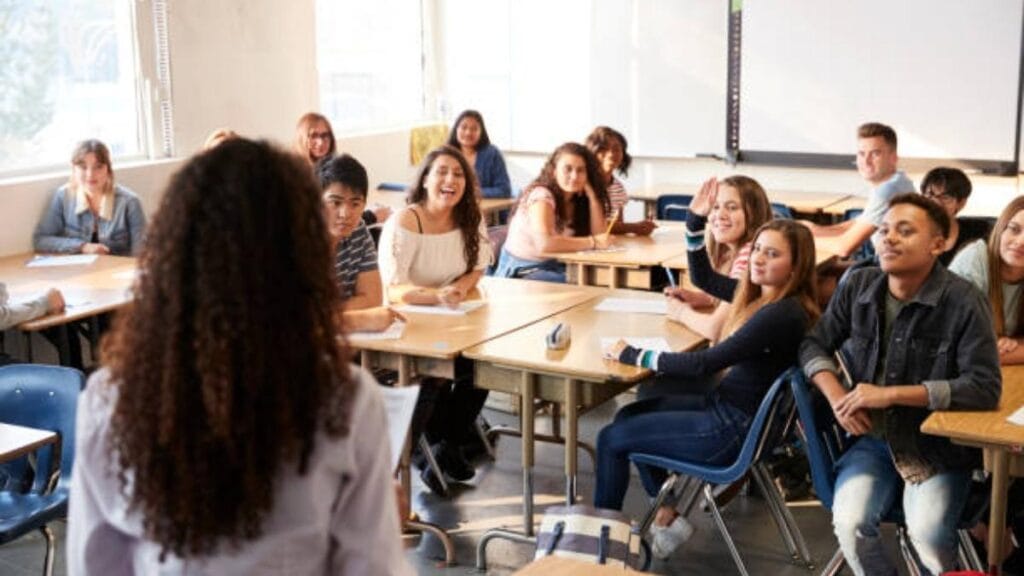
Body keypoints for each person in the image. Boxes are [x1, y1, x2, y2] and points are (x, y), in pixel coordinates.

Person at [67, 139, 411, 575]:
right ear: (302, 258)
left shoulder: (111, 399)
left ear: (173, 258)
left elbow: (94, 566)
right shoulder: (347, 400)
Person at [799, 193, 1001, 576]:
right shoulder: (859, 284)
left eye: (905, 231)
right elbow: (813, 344)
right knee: (851, 525)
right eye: (884, 230)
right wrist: (837, 395)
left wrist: (891, 394)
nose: (888, 238)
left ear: (937, 245)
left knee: (928, 536)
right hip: (872, 441)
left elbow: (984, 387)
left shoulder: (963, 300)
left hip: (937, 448)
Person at [595, 219, 820, 559]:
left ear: (796, 266)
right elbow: (705, 279)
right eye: (758, 249)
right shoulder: (771, 300)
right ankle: (666, 516)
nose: (759, 259)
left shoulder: (780, 315)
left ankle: (599, 550)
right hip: (730, 415)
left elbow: (705, 363)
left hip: (728, 431)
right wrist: (694, 225)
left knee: (611, 438)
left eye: (773, 254)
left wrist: (634, 354)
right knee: (627, 416)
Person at [377, 145, 493, 493]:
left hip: (452, 315)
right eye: (441, 172)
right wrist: (435, 297)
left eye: (458, 174)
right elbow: (394, 288)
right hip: (408, 321)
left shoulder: (470, 216)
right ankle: (438, 449)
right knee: (437, 374)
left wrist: (459, 288)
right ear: (425, 179)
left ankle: (444, 448)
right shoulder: (406, 221)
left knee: (482, 364)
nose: (450, 180)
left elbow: (478, 266)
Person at [665, 175, 774, 340]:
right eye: (715, 207)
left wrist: (680, 312)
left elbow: (715, 330)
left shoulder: (751, 255)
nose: (720, 215)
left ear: (753, 213)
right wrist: (704, 298)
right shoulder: (734, 252)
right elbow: (738, 294)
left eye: (732, 207)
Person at [494, 142, 611, 282]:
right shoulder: (541, 196)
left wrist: (593, 198)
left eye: (580, 170)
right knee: (587, 282)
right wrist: (592, 242)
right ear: (554, 172)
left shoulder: (578, 201)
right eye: (568, 169)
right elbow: (545, 244)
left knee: (599, 277)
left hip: (553, 266)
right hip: (522, 270)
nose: (574, 176)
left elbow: (601, 237)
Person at [804, 122, 915, 258]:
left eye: (875, 154)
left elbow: (844, 248)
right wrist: (814, 230)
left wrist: (799, 239)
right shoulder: (898, 180)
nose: (866, 161)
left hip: (889, 268)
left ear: (893, 158)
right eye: (862, 154)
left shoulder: (888, 190)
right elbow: (857, 223)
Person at [317, 154, 401, 333]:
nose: (345, 214)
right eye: (335, 202)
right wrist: (359, 319)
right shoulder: (296, 240)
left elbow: (373, 299)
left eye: (355, 204)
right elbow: (295, 320)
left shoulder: (358, 229)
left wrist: (327, 315)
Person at [33, 139, 147, 256]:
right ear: (74, 169)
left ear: (108, 169)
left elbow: (141, 254)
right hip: (79, 267)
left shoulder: (130, 203)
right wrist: (82, 247)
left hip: (119, 267)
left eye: (98, 167)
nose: (90, 174)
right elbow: (41, 240)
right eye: (83, 167)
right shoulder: (62, 197)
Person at [950, 196, 1024, 365]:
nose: (1021, 242)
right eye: (1014, 229)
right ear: (1000, 228)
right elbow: (961, 350)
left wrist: (1013, 346)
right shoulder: (974, 259)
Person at [295, 112, 391, 228]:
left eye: (325, 136)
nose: (320, 142)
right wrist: (372, 216)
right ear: (302, 138)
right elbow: (323, 223)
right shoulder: (296, 176)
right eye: (313, 136)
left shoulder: (334, 168)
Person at [584, 126, 656, 236]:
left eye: (616, 149)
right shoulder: (583, 185)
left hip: (609, 244)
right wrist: (633, 227)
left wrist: (637, 227)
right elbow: (588, 224)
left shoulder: (618, 188)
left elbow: (619, 227)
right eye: (603, 149)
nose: (611, 154)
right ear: (592, 152)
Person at [920, 167, 990, 266]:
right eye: (929, 196)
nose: (935, 203)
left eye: (945, 198)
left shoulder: (978, 233)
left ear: (961, 203)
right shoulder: (912, 234)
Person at [447, 109, 511, 199]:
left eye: (474, 129)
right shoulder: (446, 154)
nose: (468, 133)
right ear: (456, 130)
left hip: (485, 206)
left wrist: (472, 193)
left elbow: (504, 190)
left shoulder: (492, 154)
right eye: (464, 127)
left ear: (481, 132)